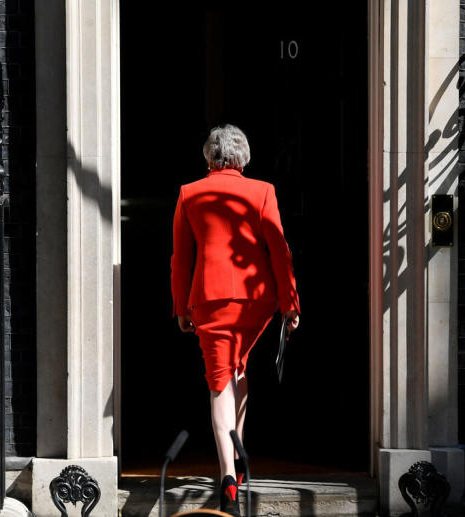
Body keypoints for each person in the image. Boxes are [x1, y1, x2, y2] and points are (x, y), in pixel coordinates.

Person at [170, 124, 300, 517]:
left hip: (208, 300)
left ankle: (227, 472)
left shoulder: (189, 193)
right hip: (255, 301)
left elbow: (181, 258)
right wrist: (289, 300)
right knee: (236, 373)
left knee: (218, 383)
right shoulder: (263, 191)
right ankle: (239, 458)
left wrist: (180, 307)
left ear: (210, 156)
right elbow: (279, 248)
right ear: (242, 157)